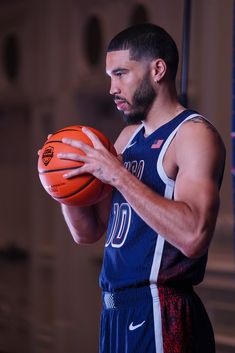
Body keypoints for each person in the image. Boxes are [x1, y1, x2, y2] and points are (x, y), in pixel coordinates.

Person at [59, 23, 226, 353]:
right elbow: (90, 232)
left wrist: (118, 175)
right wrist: (63, 182)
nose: (112, 88)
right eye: (110, 76)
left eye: (120, 73)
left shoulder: (193, 135)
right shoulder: (127, 139)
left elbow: (194, 235)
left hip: (161, 307)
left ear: (158, 70)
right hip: (115, 308)